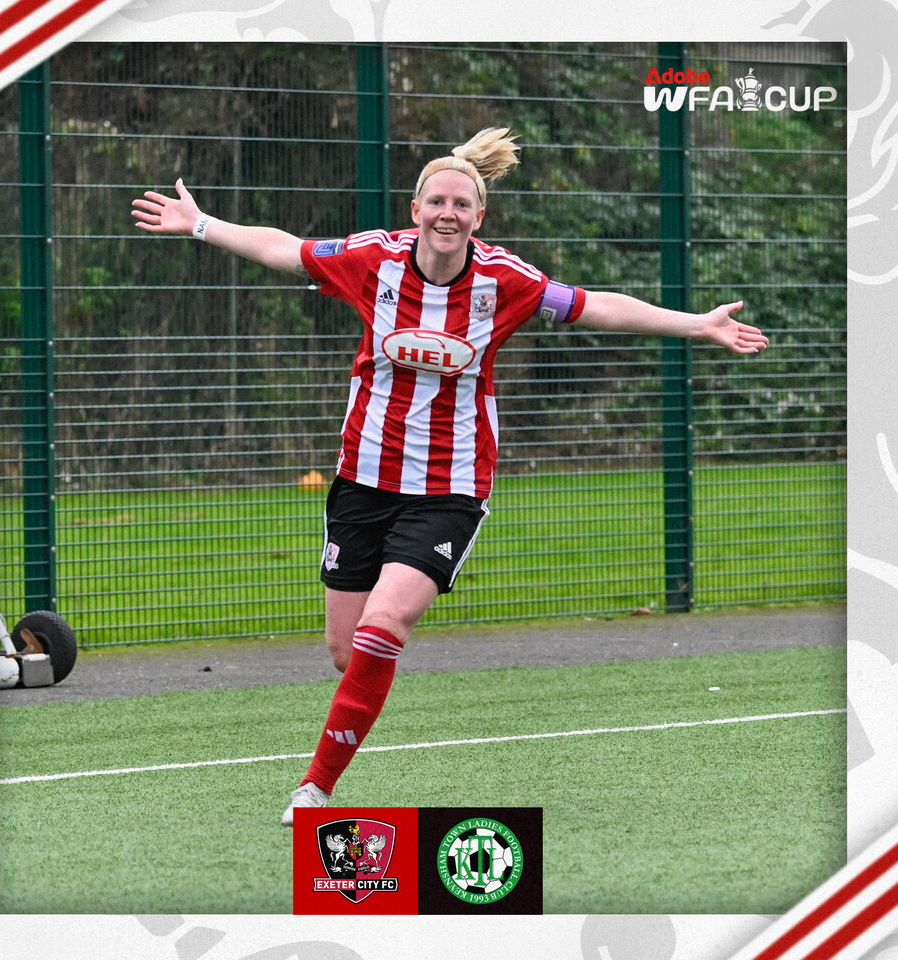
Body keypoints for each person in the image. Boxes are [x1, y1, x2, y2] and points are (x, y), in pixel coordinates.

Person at [131, 127, 769, 826]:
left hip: (449, 488)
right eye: (436, 201)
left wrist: (696, 325)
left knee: (382, 627)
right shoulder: (372, 260)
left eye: (461, 204)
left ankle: (314, 789)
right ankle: (364, 689)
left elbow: (599, 306)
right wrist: (201, 225)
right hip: (362, 482)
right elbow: (286, 249)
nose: (447, 213)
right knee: (349, 654)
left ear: (478, 217)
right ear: (415, 210)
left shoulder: (506, 281)